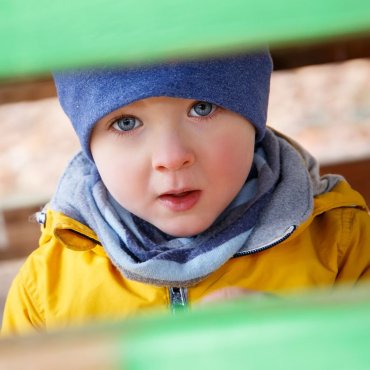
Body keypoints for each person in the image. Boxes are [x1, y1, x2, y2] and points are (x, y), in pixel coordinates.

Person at [2, 50, 370, 335]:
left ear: (254, 118)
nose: (172, 157)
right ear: (90, 149)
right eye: (126, 122)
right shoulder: (46, 292)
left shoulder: (343, 248)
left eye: (202, 107)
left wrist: (306, 349)